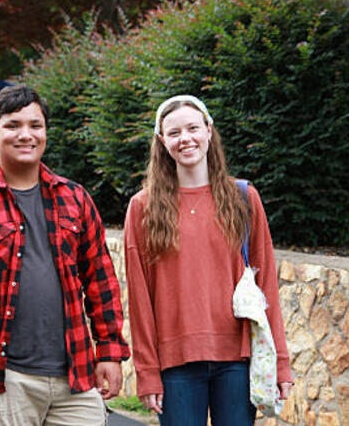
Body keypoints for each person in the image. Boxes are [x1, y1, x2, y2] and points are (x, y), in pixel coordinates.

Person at [0, 84, 130, 426]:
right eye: (13, 125)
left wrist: (109, 350)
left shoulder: (75, 198)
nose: (25, 134)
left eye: (35, 125)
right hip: (5, 379)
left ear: (45, 132)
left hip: (76, 377)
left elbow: (101, 281)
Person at [124, 95, 293, 425]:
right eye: (174, 133)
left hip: (237, 360)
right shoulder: (143, 207)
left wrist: (280, 362)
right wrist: (146, 371)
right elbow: (140, 300)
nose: (184, 138)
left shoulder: (243, 198)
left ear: (208, 131)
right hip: (175, 365)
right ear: (162, 141)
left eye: (192, 128)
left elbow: (267, 285)